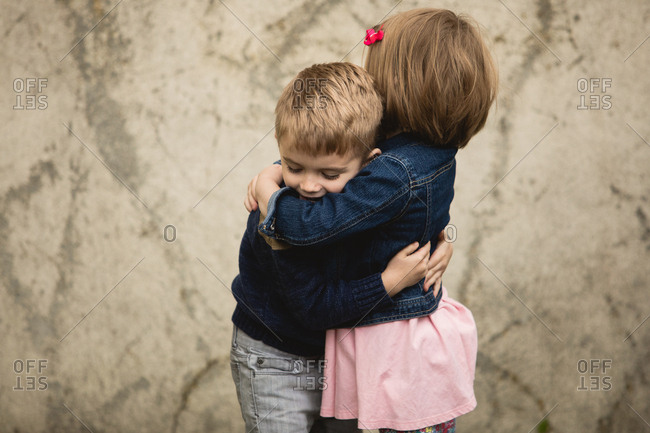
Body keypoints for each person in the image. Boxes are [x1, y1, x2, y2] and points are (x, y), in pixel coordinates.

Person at [248, 8, 498, 433]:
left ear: (399, 82)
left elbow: (311, 223)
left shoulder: (395, 169)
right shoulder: (428, 152)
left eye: (377, 67)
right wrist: (441, 239)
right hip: (368, 329)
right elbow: (330, 154)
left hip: (377, 328)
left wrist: (271, 192)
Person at [231, 62, 453, 433]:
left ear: (369, 165)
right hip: (273, 359)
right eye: (292, 166)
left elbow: (402, 208)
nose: (309, 186)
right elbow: (315, 308)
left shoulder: (357, 200)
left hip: (336, 359)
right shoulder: (279, 220)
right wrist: (389, 281)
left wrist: (439, 240)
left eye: (329, 175)